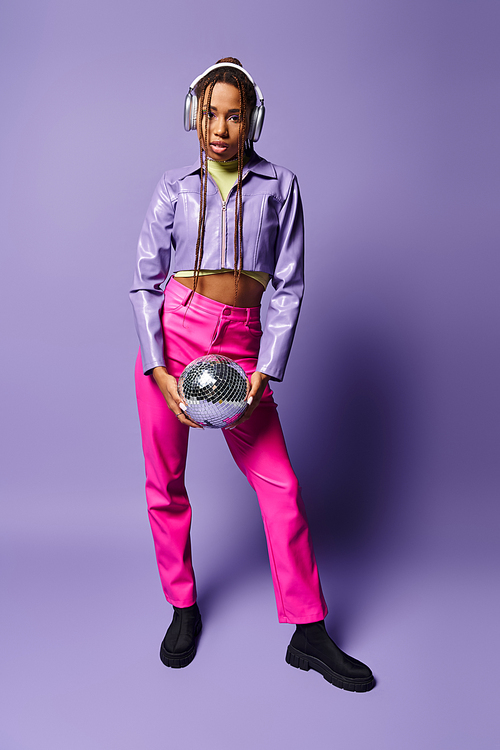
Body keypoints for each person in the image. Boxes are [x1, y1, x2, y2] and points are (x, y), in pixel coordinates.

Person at [130, 58, 374, 692]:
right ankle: (182, 608)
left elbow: (289, 286)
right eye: (210, 113)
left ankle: (308, 630)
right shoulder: (172, 186)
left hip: (241, 347)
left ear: (252, 119)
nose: (220, 126)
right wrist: (158, 370)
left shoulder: (282, 187)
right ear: (195, 115)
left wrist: (266, 369)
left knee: (281, 486)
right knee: (166, 482)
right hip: (173, 336)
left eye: (233, 113)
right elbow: (144, 281)